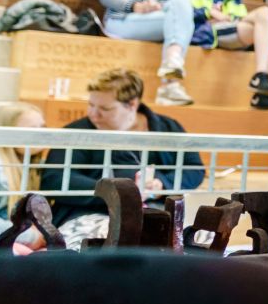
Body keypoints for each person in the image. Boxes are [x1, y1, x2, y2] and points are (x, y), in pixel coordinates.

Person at [41, 68, 205, 224]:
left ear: (132, 104)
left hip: (155, 213)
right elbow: (55, 178)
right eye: (90, 105)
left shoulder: (168, 127)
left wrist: (161, 183)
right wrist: (114, 192)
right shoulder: (76, 131)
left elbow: (194, 169)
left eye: (105, 108)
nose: (93, 114)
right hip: (88, 214)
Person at [0, 102, 47, 236]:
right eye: (32, 129)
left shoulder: (38, 165)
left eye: (43, 127)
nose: (42, 134)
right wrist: (30, 235)